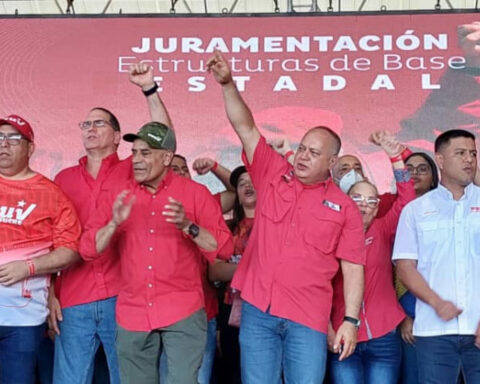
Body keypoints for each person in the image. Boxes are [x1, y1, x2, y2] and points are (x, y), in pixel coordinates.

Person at [208, 51, 366, 383]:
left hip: (308, 317)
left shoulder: (345, 207)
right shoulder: (272, 174)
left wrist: (350, 321)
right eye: (303, 148)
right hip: (258, 311)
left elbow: (352, 266)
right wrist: (227, 85)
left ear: (332, 162)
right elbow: (246, 128)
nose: (304, 156)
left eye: (314, 153)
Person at [80, 121, 233, 384]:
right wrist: (113, 224)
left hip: (183, 309)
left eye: (146, 153)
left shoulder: (195, 194)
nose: (136, 160)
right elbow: (87, 250)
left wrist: (188, 226)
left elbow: (223, 249)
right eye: (135, 152)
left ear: (167, 157)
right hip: (133, 310)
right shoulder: (119, 194)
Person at [50, 63, 172, 384]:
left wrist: (149, 89)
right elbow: (51, 241)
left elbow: (163, 141)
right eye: (85, 123)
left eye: (99, 123)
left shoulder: (134, 168)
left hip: (126, 295)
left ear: (117, 136)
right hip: (73, 299)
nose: (90, 128)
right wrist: (49, 293)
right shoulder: (63, 179)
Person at [328, 131, 416, 383]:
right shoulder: (329, 234)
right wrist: (328, 330)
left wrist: (395, 157)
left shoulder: (383, 227)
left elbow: (407, 198)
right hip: (342, 332)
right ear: (345, 201)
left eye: (371, 200)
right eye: (357, 198)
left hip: (384, 334)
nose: (364, 204)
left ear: (377, 206)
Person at [393, 129, 480, 384]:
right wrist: (437, 302)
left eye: (473, 154)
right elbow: (405, 267)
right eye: (461, 153)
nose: (469, 160)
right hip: (433, 331)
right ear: (440, 160)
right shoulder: (415, 210)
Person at [0, 114, 81, 384]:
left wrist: (29, 267)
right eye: (0, 138)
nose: (4, 144)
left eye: (13, 138)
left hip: (22, 319)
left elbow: (70, 250)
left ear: (30, 148)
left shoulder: (51, 194)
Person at [209, 165, 257, 384]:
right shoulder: (227, 228)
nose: (247, 185)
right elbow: (214, 270)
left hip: (268, 310)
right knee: (235, 373)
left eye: (253, 180)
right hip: (231, 310)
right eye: (241, 183)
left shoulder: (278, 226)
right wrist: (250, 268)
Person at [396, 151, 439, 384]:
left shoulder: (450, 211)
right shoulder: (392, 210)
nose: (414, 173)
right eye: (408, 168)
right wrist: (402, 316)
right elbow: (390, 271)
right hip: (408, 309)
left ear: (434, 177)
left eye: (422, 169)